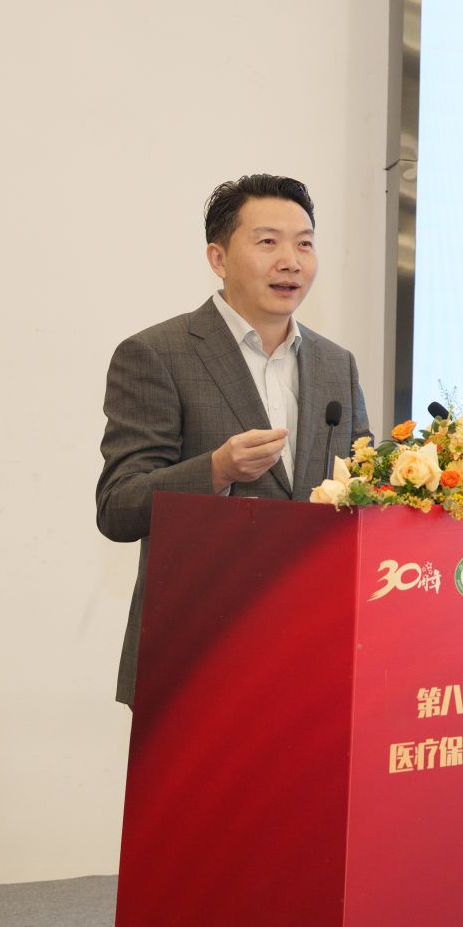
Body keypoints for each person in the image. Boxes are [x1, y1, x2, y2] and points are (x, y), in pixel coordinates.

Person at [96, 175, 372, 705]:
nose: (290, 261)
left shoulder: (336, 364)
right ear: (218, 258)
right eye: (268, 242)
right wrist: (216, 470)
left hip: (315, 649)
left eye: (305, 244)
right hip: (200, 652)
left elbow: (359, 487)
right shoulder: (157, 354)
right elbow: (117, 506)